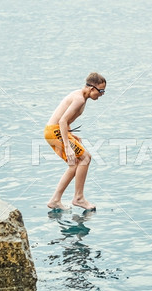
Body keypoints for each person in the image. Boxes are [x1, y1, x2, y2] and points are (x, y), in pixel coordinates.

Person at [44, 72, 106, 211]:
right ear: (91, 88)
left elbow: (66, 119)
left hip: (54, 131)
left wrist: (71, 135)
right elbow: (62, 121)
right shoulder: (79, 99)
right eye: (101, 91)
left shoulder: (80, 96)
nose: (102, 94)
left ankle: (55, 200)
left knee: (74, 164)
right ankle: (78, 198)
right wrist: (68, 146)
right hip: (55, 131)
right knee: (85, 158)